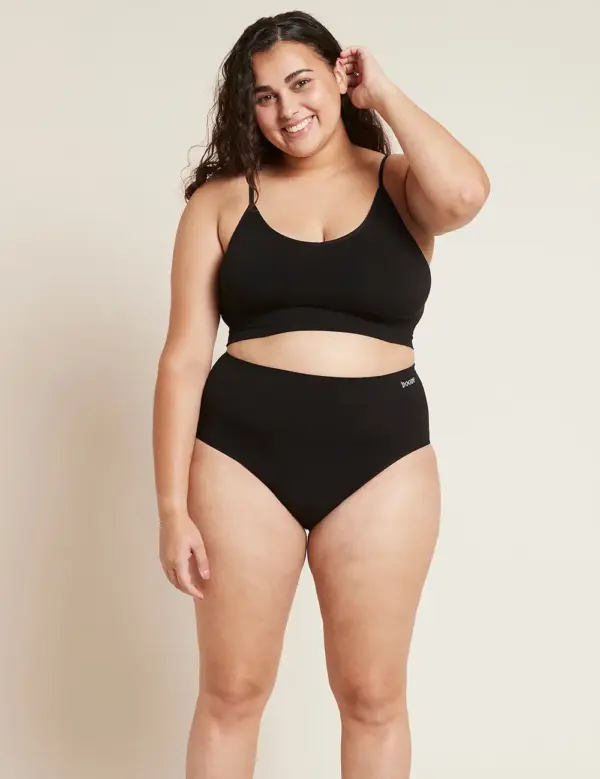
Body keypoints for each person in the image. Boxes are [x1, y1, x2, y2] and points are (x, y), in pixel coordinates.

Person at [152, 10, 490, 779]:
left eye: (301, 82)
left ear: (341, 77)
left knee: (373, 696)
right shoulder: (220, 200)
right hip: (241, 458)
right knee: (232, 693)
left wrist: (386, 94)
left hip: (383, 460)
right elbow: (182, 358)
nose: (286, 109)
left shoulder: (401, 183)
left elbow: (467, 194)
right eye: (264, 96)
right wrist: (171, 507)